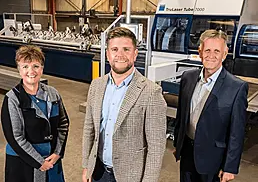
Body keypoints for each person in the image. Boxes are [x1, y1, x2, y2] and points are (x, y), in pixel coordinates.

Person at [82, 27, 167, 182]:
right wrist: (87, 166)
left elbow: (156, 147)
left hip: (130, 176)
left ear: (135, 54)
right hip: (98, 171)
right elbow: (89, 128)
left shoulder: (151, 92)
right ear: (108, 54)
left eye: (126, 49)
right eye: (114, 49)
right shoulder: (96, 85)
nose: (120, 55)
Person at [174, 29, 248, 182]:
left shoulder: (236, 87)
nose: (211, 55)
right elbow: (181, 115)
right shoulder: (188, 77)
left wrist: (229, 167)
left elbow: (237, 133)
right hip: (187, 153)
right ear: (200, 52)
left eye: (216, 51)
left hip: (213, 160)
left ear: (224, 54)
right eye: (207, 50)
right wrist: (178, 143)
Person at [1, 45, 69, 182]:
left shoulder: (53, 93)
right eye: (25, 67)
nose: (31, 71)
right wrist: (40, 163)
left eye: (36, 66)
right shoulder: (12, 99)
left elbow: (63, 124)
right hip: (23, 162)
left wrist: (57, 153)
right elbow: (15, 138)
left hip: (51, 160)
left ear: (42, 69)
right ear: (19, 70)